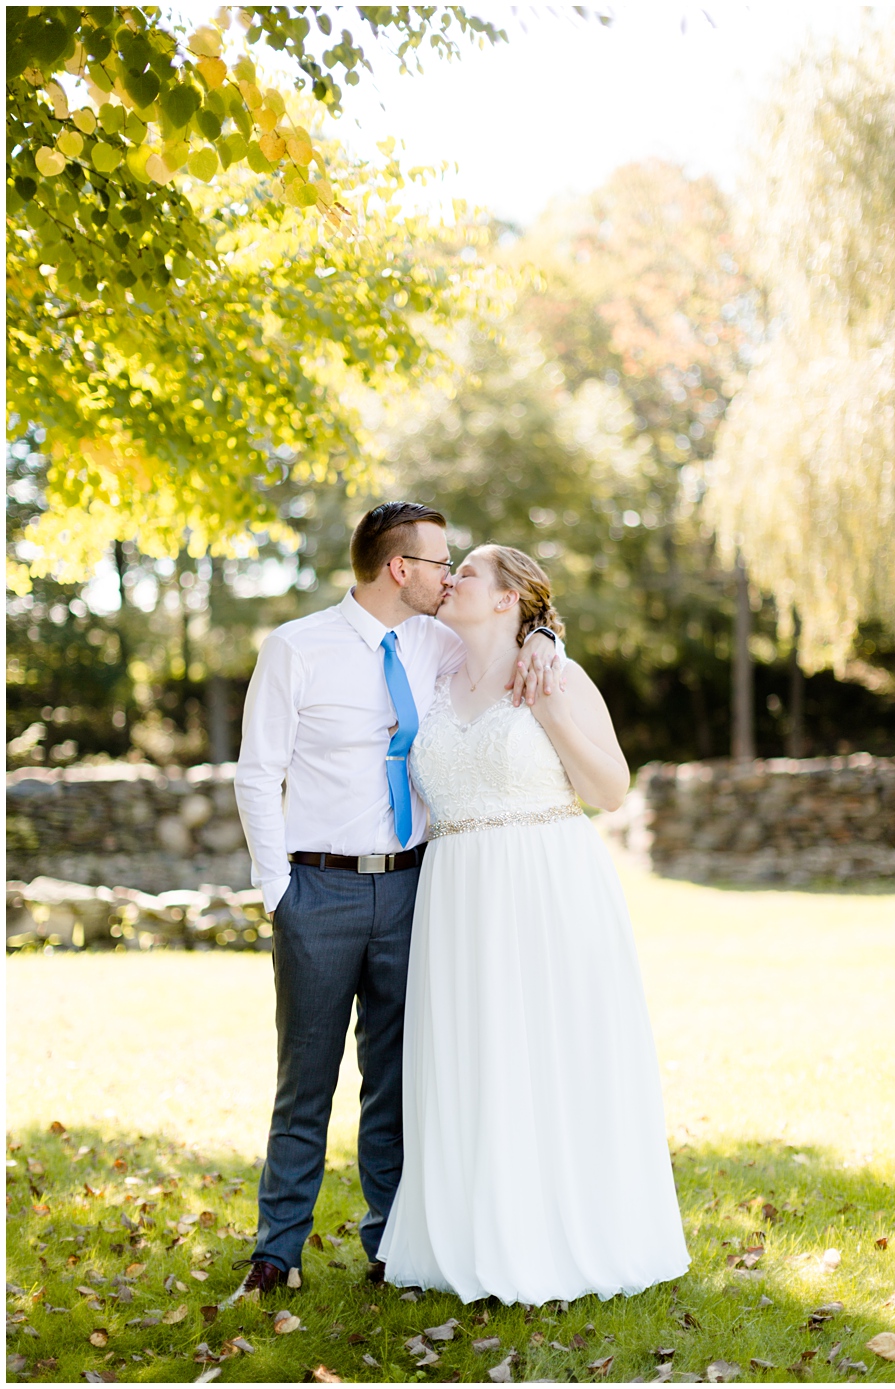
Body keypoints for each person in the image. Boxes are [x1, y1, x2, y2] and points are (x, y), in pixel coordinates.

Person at [231, 503, 562, 1299]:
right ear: (398, 568)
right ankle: (278, 1249)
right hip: (319, 890)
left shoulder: (438, 640)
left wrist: (548, 637)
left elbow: (518, 620)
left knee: (398, 1078)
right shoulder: (295, 648)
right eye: (440, 561)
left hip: (415, 887)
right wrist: (282, 890)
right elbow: (255, 771)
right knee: (305, 1079)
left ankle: (391, 1246)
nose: (452, 575)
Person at [375, 544, 688, 1303]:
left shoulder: (556, 675)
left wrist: (549, 701)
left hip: (547, 882)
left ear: (510, 598)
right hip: (456, 894)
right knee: (472, 1056)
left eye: (470, 572)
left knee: (553, 1051)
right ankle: (475, 1232)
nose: (452, 580)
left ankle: (563, 1230)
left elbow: (610, 789)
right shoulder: (431, 671)